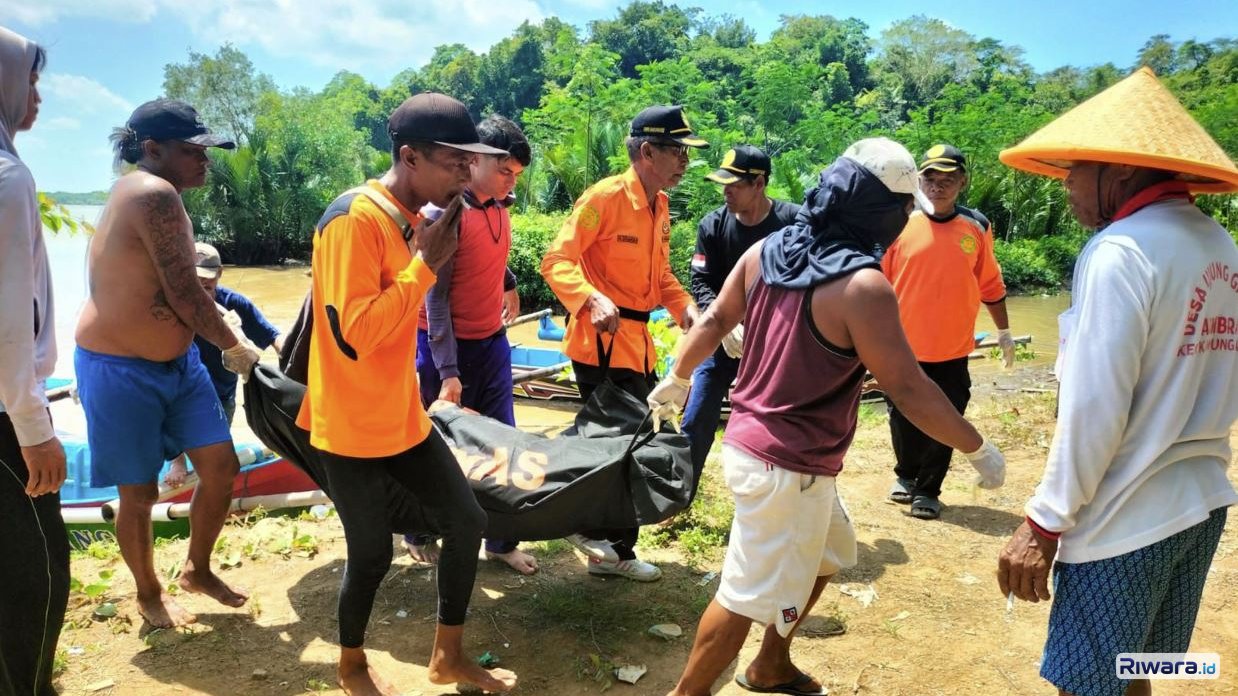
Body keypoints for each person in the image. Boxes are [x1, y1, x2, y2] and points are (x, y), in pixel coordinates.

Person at [647, 138, 1007, 696]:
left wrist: (679, 372)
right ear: (876, 210)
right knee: (741, 596)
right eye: (901, 207)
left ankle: (771, 664)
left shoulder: (767, 252)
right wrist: (976, 447)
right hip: (785, 466)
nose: (907, 216)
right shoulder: (863, 287)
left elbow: (716, 318)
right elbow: (909, 388)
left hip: (770, 450)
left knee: (830, 553)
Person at [996, 67, 1238, 696]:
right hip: (1201, 502)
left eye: (1078, 167)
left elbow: (1095, 406)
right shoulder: (1221, 246)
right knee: (1140, 670)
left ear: (1122, 168)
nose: (1068, 181)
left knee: (1087, 684)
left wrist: (1044, 522)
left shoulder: (1120, 251)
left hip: (1126, 517)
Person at [294, 92, 517, 695]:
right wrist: (426, 266)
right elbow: (355, 336)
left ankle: (447, 657)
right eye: (454, 163)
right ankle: (350, 667)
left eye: (470, 163)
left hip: (401, 416)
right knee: (371, 554)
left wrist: (425, 258)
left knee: (466, 518)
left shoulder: (411, 220)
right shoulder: (354, 220)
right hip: (349, 425)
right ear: (409, 156)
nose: (466, 176)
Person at [75, 98, 260, 629]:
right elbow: (183, 292)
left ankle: (196, 570)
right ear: (151, 151)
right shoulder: (151, 192)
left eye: (204, 150)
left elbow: (174, 286)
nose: (204, 160)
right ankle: (149, 593)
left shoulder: (165, 193)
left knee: (220, 469)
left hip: (179, 365)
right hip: (119, 368)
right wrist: (233, 345)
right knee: (139, 492)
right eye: (191, 151)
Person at [541, 104, 707, 582]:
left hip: (638, 344)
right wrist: (590, 297)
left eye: (686, 152)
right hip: (602, 345)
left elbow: (662, 278)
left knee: (634, 443)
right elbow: (557, 260)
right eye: (677, 151)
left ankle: (614, 550)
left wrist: (684, 310)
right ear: (647, 151)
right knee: (610, 446)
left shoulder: (659, 205)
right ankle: (585, 527)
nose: (684, 161)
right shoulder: (606, 197)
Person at [402, 114, 537, 575]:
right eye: (504, 171)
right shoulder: (444, 215)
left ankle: (500, 541)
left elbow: (491, 255)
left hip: (491, 343)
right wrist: (449, 373)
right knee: (433, 445)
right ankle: (419, 531)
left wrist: (510, 281)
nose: (509, 182)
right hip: (443, 348)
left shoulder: (499, 205)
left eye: (516, 176)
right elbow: (434, 302)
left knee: (503, 443)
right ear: (474, 160)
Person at [881, 143, 1016, 520]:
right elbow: (877, 283)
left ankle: (929, 489)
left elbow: (990, 283)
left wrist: (1003, 332)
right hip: (904, 347)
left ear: (962, 183)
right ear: (918, 181)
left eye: (948, 180)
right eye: (930, 179)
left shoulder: (976, 226)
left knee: (949, 417)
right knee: (902, 416)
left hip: (953, 349)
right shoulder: (901, 223)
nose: (938, 187)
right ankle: (906, 475)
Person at [0, 28, 70, 696]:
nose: (38, 96)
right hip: (3, 415)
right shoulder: (7, 176)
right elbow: (8, 323)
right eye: (30, 80)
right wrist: (34, 428)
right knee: (39, 575)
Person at [680, 145, 800, 489]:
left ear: (759, 183)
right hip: (721, 337)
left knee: (778, 420)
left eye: (735, 184)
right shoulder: (713, 226)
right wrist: (722, 321)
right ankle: (680, 493)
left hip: (774, 341)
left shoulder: (792, 224)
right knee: (697, 415)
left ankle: (776, 491)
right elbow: (701, 280)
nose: (726, 191)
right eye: (723, 184)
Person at [164, 242, 285, 487]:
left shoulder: (234, 305)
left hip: (220, 391)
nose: (201, 286)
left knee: (216, 457)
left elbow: (273, 337)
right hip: (180, 389)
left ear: (219, 273)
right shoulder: (172, 304)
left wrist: (297, 362)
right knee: (168, 417)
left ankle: (210, 487)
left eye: (207, 281)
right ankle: (177, 460)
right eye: (194, 279)